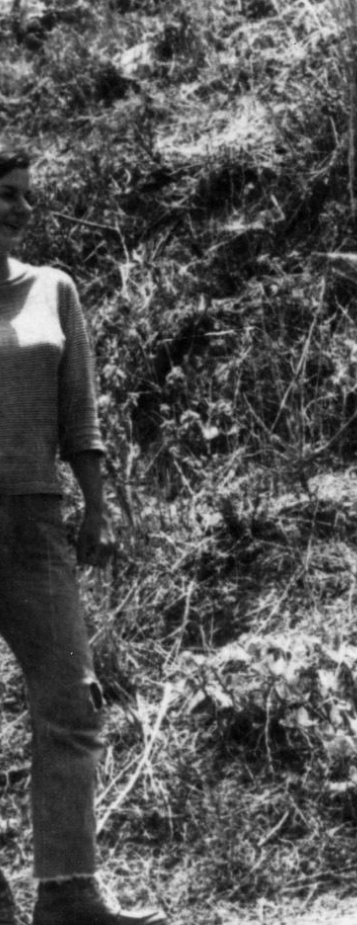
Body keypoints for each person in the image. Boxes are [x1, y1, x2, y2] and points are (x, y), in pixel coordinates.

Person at [0, 141, 166, 925]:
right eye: (5, 193)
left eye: (27, 194)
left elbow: (82, 416)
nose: (21, 208)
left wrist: (96, 506)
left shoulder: (52, 290)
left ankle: (67, 894)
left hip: (35, 526)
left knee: (69, 701)